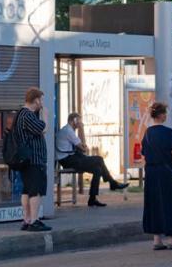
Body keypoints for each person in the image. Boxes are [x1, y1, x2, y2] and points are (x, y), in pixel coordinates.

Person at [141, 102, 172, 250]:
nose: (166, 116)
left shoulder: (148, 133)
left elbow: (145, 154)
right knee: (171, 204)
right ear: (162, 115)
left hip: (151, 173)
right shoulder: (168, 132)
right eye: (165, 113)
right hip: (167, 173)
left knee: (154, 204)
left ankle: (157, 240)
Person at [56, 113, 128, 207]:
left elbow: (83, 149)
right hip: (67, 160)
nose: (80, 123)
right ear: (74, 120)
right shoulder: (68, 131)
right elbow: (84, 148)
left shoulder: (68, 130)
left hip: (71, 157)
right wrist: (82, 129)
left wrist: (81, 135)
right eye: (79, 120)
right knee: (99, 159)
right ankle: (112, 183)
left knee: (97, 169)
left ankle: (92, 199)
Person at [14, 88, 50, 232]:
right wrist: (46, 116)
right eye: (41, 99)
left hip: (27, 159)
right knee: (35, 191)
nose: (42, 102)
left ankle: (27, 219)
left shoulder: (21, 114)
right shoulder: (27, 115)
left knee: (27, 190)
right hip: (34, 159)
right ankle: (34, 220)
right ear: (36, 100)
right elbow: (43, 129)